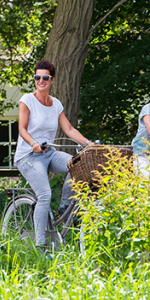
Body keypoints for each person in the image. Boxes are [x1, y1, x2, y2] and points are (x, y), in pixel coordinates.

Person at [13, 60, 93, 249]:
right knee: (44, 194)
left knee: (77, 164)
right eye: (37, 77)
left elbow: (70, 129)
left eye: (45, 78)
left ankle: (64, 206)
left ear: (52, 80)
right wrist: (33, 143)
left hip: (49, 153)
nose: (41, 81)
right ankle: (40, 245)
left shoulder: (55, 104)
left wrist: (89, 144)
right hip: (28, 156)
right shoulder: (27, 100)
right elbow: (22, 129)